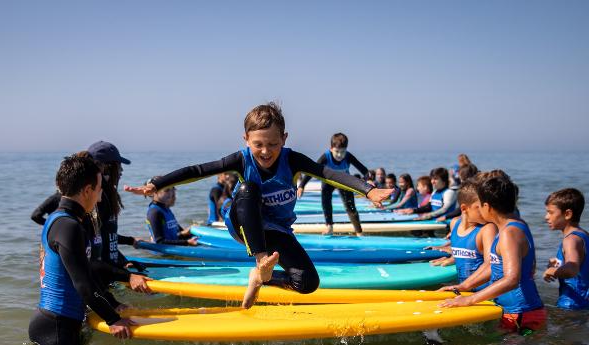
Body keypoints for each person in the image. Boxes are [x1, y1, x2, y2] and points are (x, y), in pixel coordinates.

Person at [124, 102, 391, 308]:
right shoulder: (242, 160)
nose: (265, 151)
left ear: (284, 138)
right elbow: (198, 170)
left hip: (276, 230)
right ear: (246, 140)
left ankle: (261, 277)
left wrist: (368, 190)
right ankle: (261, 260)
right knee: (249, 189)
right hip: (243, 224)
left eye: (273, 144)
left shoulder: (292, 160)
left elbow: (329, 174)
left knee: (308, 282)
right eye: (258, 144)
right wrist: (157, 184)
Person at [28, 153, 135, 345]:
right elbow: (83, 284)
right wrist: (113, 319)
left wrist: (112, 304)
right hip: (57, 326)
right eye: (99, 189)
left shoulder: (57, 219)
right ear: (87, 191)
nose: (101, 197)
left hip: (54, 321)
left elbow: (86, 273)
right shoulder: (69, 226)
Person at [440, 171, 546, 334]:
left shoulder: (509, 233)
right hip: (513, 311)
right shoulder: (509, 227)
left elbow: (511, 279)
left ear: (487, 207)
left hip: (521, 313)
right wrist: (464, 286)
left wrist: (470, 300)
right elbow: (492, 264)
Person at [87, 141, 151, 293]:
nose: (121, 171)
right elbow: (93, 247)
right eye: (118, 166)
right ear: (106, 168)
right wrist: (126, 275)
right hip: (102, 276)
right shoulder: (97, 200)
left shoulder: (107, 195)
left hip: (112, 271)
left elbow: (106, 235)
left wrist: (122, 260)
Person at [297, 132, 372, 235]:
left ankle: (359, 231)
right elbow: (312, 171)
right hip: (328, 181)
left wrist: (369, 180)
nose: (340, 155)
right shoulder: (325, 157)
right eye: (337, 151)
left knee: (351, 206)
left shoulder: (348, 156)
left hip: (344, 181)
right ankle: (329, 226)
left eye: (343, 151)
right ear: (331, 148)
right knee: (326, 201)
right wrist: (302, 186)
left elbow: (364, 170)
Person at [430, 178, 497, 289]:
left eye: (487, 206)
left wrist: (463, 286)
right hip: (464, 290)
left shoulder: (487, 229)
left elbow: (490, 265)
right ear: (464, 208)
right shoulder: (454, 223)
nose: (486, 210)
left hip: (484, 292)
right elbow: (465, 251)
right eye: (480, 207)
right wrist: (452, 258)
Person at [542, 188, 589, 309]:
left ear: (567, 214)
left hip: (570, 305)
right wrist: (560, 262)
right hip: (588, 302)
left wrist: (551, 271)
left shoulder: (570, 240)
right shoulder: (585, 235)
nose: (546, 217)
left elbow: (572, 270)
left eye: (551, 212)